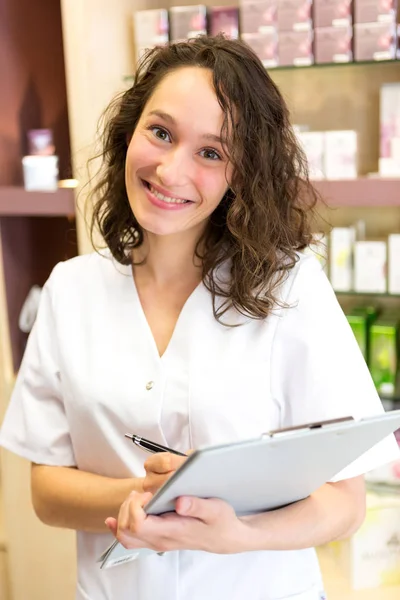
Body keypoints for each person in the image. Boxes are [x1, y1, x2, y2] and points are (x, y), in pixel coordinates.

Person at [0, 34, 398, 600]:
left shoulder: (290, 287)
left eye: (211, 152)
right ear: (129, 133)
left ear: (242, 174)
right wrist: (143, 498)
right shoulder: (71, 290)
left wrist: (236, 531)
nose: (169, 170)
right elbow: (46, 489)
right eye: (160, 132)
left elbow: (346, 502)